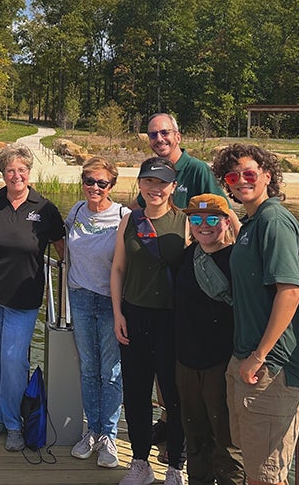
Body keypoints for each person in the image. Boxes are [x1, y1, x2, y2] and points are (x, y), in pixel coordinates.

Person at [138, 113, 236, 460]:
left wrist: (239, 249)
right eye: (153, 134)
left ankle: (203, 439)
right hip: (171, 281)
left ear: (178, 135)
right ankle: (169, 421)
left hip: (201, 274)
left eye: (165, 132)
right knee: (171, 361)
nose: (159, 138)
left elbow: (224, 211)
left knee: (200, 365)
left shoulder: (195, 170)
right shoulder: (153, 171)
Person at [212, 144, 299, 485]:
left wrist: (259, 356)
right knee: (254, 464)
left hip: (272, 367)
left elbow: (290, 292)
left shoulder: (274, 221)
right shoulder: (254, 221)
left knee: (266, 475)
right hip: (248, 359)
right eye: (232, 176)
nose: (241, 181)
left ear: (268, 176)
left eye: (250, 173)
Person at [0, 142, 65, 452]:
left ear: (29, 172)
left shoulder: (45, 208)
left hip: (23, 300)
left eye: (21, 170)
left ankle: (13, 424)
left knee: (13, 361)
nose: (16, 175)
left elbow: (63, 250)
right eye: (10, 170)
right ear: (2, 172)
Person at [111, 157, 189, 485]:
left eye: (162, 183)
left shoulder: (186, 223)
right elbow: (117, 269)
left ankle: (176, 466)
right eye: (149, 182)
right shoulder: (129, 220)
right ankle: (140, 463)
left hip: (172, 320)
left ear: (173, 187)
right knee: (137, 393)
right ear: (140, 184)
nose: (155, 189)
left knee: (174, 394)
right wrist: (118, 313)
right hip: (134, 315)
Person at [175, 194, 246, 485]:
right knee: (195, 438)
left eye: (213, 219)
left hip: (221, 363)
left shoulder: (238, 260)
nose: (204, 225)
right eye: (196, 219)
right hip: (186, 362)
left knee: (227, 442)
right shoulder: (186, 257)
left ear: (227, 222)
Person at [65, 156, 130, 469]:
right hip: (79, 297)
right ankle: (92, 431)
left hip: (110, 303)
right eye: (89, 181)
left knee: (111, 372)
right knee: (89, 369)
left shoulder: (123, 216)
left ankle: (109, 436)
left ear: (111, 185)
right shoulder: (75, 211)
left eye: (101, 183)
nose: (94, 187)